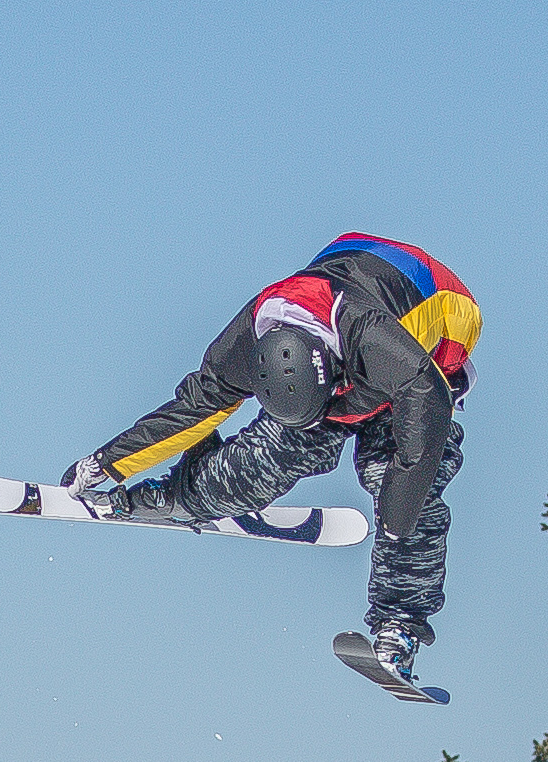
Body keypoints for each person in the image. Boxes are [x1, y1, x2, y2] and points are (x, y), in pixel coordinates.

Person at [66, 232, 479, 687]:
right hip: (331, 343)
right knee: (275, 452)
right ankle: (187, 492)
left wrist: (397, 519)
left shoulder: (376, 338)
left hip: (425, 355)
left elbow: (426, 403)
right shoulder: (248, 339)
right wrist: (108, 461)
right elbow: (194, 406)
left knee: (401, 485)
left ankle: (398, 624)